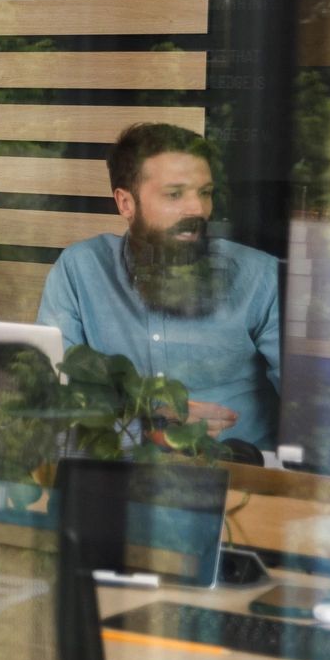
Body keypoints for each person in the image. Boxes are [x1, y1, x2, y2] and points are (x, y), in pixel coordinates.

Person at [36, 122, 281, 450]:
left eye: (204, 193)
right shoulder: (80, 271)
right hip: (116, 478)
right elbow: (52, 402)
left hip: (238, 481)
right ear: (126, 203)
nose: (196, 209)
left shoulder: (258, 277)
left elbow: (312, 411)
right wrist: (149, 427)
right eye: (174, 194)